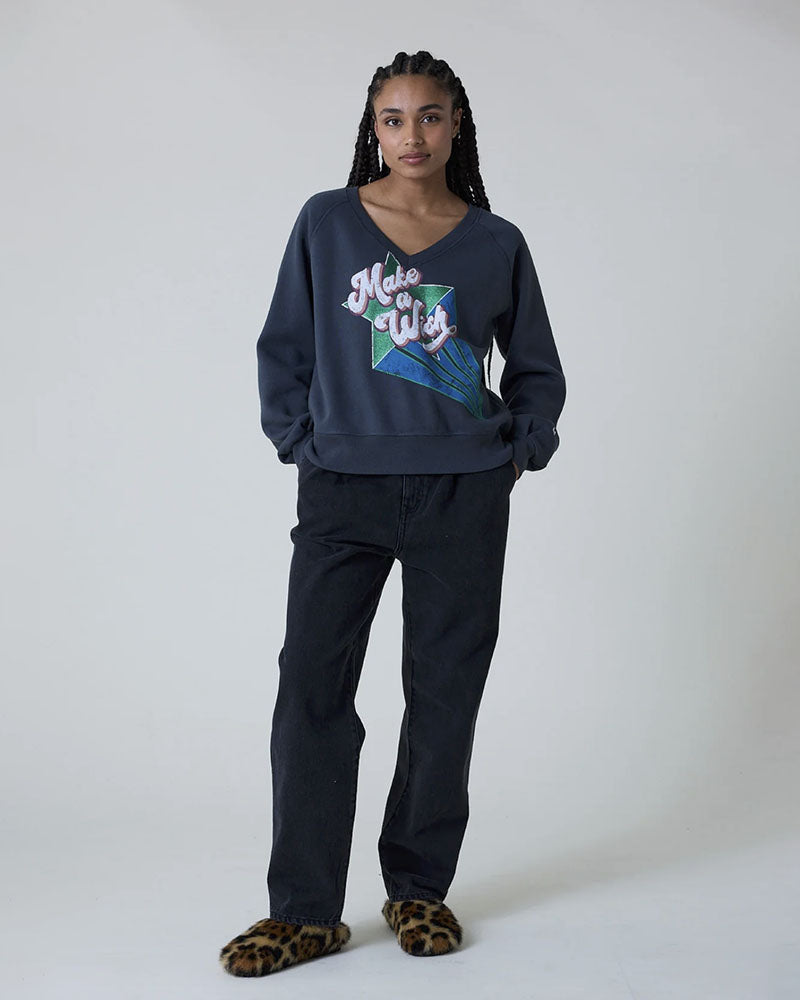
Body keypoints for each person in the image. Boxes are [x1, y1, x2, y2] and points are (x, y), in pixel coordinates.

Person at [219, 49, 567, 977]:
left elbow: (535, 365)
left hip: (463, 492)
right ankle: (304, 912)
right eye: (393, 118)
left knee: (445, 693)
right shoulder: (327, 222)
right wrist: (302, 442)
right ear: (372, 130)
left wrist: (517, 449)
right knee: (311, 690)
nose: (412, 135)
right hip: (345, 488)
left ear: (457, 126)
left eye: (430, 116)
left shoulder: (495, 242)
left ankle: (418, 888)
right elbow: (284, 345)